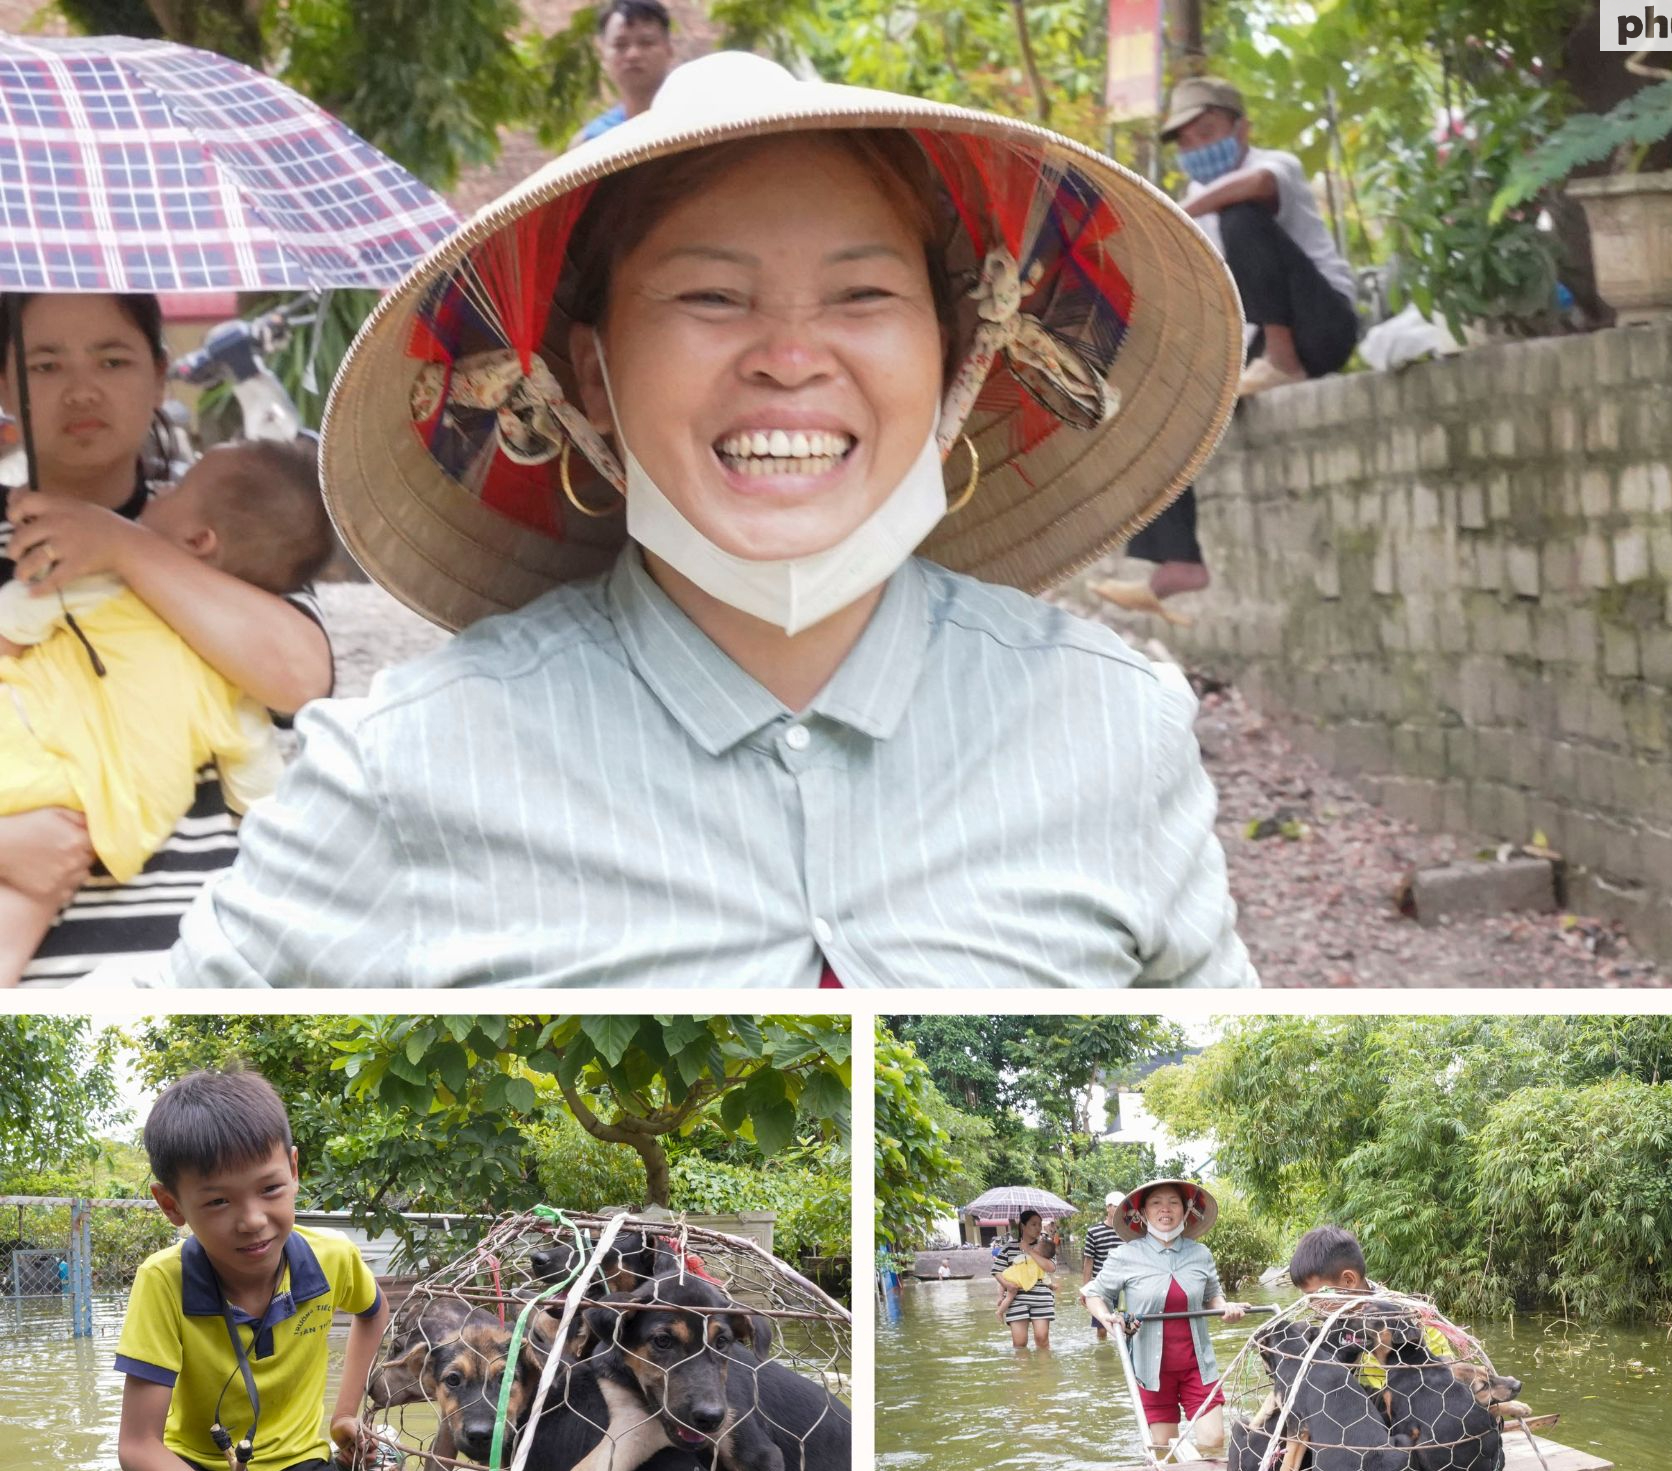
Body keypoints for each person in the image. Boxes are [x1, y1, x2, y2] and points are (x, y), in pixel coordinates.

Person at [160, 51, 1251, 988]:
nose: (787, 354)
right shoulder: (402, 766)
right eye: (710, 298)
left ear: (960, 355)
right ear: (588, 374)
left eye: (862, 296)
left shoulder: (1114, 724)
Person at [0, 291, 333, 986]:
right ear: (5, 382)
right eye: (46, 365)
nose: (82, 388)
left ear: (159, 375)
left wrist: (122, 547)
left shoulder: (229, 529)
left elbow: (301, 679)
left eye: (112, 359)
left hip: (199, 971)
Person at [1092, 76, 1361, 623]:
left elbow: (1255, 185)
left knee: (1241, 215)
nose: (1196, 148)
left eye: (1207, 132)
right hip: (1252, 342)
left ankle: (1282, 360)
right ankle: (1177, 560)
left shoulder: (1272, 165)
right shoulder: (1194, 208)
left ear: (1242, 129)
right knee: (1154, 393)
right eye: (1186, 142)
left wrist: (1176, 215)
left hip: (1322, 324)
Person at [114, 1068, 388, 1471]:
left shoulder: (333, 1259)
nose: (252, 1220)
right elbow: (139, 1446)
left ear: (293, 1168)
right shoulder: (162, 1281)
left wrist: (344, 1415)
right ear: (172, 1205)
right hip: (187, 1470)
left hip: (296, 1466)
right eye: (218, 1202)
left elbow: (372, 1313)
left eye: (270, 1189)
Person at [1083, 1179, 1245, 1453]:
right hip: (1150, 1371)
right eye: (1156, 1203)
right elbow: (1093, 1295)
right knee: (1163, 1448)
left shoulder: (1200, 1253)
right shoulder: (1125, 1255)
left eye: (1173, 1202)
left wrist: (1226, 1308)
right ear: (1143, 1213)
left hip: (1198, 1367)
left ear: (1185, 1210)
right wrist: (1108, 1320)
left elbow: (1213, 1295)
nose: (1165, 1209)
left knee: (1214, 1441)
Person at [1287, 1223, 1456, 1384]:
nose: (1313, 1306)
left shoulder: (1406, 1315)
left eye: (1316, 1296)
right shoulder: (1335, 1320)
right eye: (1308, 1299)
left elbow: (1448, 1373)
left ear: (1349, 1280)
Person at [571, 0, 675, 146]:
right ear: (602, 55)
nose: (633, 54)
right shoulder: (591, 142)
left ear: (669, 50)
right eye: (620, 45)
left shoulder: (698, 126)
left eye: (646, 42)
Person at [991, 1210, 1058, 1349]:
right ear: (1023, 1226)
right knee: (1019, 1343)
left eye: (1039, 1224)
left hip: (1041, 1298)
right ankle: (1024, 1371)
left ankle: (1044, 1370)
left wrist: (1029, 1251)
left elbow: (1051, 1267)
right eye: (1033, 1224)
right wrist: (1007, 1285)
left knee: (1042, 1339)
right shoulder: (1009, 1247)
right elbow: (997, 1271)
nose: (1038, 1228)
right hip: (1016, 1298)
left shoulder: (1045, 1246)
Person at [1080, 1190, 1123, 1342]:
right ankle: (1103, 1355)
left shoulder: (1128, 1232)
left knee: (1130, 1325)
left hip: (1125, 1285)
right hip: (1101, 1285)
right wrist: (1085, 1290)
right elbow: (1088, 1262)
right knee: (1102, 1329)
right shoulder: (1094, 1231)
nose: (1118, 1210)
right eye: (1115, 1206)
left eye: (1121, 1207)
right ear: (1108, 1208)